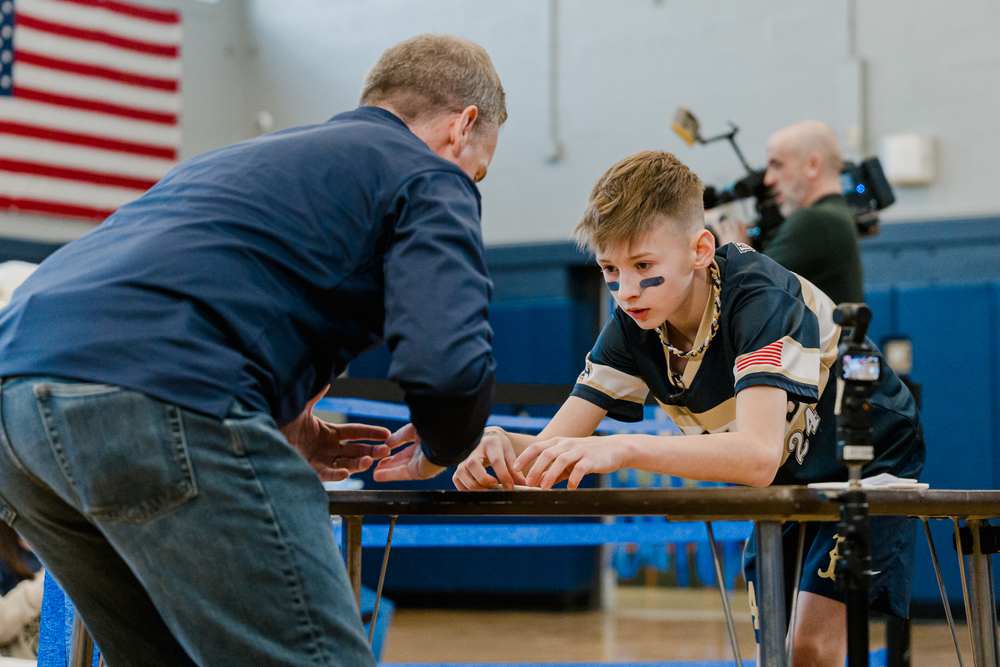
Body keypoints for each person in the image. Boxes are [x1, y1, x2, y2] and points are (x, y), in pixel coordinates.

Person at [0, 33, 504, 666]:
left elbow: (210, 288)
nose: (471, 183)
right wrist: (441, 447)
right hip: (162, 394)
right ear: (463, 127)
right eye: (479, 170)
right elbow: (449, 365)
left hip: (16, 405)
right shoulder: (428, 172)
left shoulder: (251, 158)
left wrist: (284, 419)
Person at [443, 151, 925, 667]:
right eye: (610, 269)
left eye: (644, 266)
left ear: (700, 250)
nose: (626, 291)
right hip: (790, 471)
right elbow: (552, 450)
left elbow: (757, 457)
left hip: (867, 455)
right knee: (774, 655)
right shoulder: (631, 324)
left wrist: (623, 448)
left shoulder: (758, 299)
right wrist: (495, 446)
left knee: (810, 648)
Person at [715, 120, 864, 305]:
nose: (768, 180)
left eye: (777, 165)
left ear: (813, 165)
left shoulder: (815, 221)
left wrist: (735, 249)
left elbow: (747, 296)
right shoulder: (836, 215)